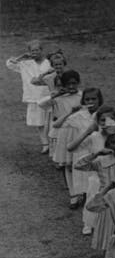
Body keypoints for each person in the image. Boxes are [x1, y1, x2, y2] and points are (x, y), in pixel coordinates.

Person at [74, 111, 115, 251]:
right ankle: (109, 249)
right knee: (109, 225)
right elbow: (79, 165)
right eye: (114, 143)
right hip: (108, 200)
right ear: (108, 144)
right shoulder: (101, 161)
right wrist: (96, 153)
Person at [38, 70, 84, 207]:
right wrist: (58, 94)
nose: (71, 87)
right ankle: (73, 194)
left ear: (78, 83)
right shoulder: (57, 98)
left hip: (80, 132)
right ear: (63, 85)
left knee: (81, 162)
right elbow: (41, 104)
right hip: (63, 134)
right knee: (67, 164)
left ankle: (83, 191)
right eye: (68, 84)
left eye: (74, 84)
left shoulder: (82, 95)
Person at [64, 87, 106, 234]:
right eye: (87, 99)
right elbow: (71, 141)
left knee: (104, 192)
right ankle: (88, 222)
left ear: (99, 100)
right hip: (84, 154)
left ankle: (105, 222)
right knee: (89, 191)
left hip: (102, 157)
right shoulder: (78, 116)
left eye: (94, 99)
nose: (90, 102)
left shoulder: (104, 115)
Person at [5, 39, 53, 153]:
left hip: (48, 96)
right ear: (29, 52)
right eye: (32, 51)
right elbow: (9, 64)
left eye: (37, 50)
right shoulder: (25, 63)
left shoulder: (48, 63)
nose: (35, 53)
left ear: (42, 50)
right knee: (39, 122)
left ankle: (52, 143)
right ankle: (45, 143)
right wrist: (21, 57)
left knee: (49, 122)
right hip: (33, 97)